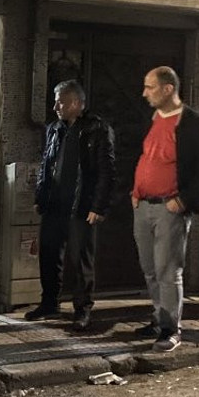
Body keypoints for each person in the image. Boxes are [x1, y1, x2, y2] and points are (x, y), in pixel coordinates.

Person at [131, 66, 199, 353]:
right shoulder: (150, 119)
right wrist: (134, 192)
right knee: (150, 268)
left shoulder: (193, 125)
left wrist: (184, 200)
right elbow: (143, 156)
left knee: (168, 270)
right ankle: (159, 317)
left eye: (150, 87)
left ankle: (171, 329)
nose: (145, 93)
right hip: (143, 205)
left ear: (168, 89)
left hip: (170, 207)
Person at [26, 80, 115, 331]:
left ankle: (82, 310)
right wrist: (40, 197)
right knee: (48, 254)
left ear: (76, 103)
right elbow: (46, 165)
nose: (55, 107)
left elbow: (106, 171)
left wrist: (98, 206)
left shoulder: (97, 129)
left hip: (81, 204)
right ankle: (49, 303)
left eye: (60, 102)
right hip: (54, 204)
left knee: (80, 260)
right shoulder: (54, 129)